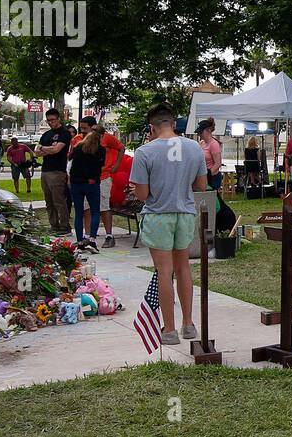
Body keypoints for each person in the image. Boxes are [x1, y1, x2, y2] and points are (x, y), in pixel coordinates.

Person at [129, 102, 208, 346]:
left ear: (151, 127)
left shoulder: (144, 152)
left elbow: (142, 195)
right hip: (184, 213)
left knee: (164, 272)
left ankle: (170, 330)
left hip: (158, 214)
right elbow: (201, 186)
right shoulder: (194, 147)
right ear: (174, 124)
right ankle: (188, 324)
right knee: (183, 267)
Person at [69, 115, 125, 247]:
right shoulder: (77, 140)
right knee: (86, 208)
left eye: (85, 128)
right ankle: (87, 236)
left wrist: (116, 165)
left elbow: (121, 147)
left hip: (102, 177)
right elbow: (71, 160)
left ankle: (108, 235)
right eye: (80, 128)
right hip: (85, 180)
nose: (82, 131)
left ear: (93, 128)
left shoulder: (105, 137)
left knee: (103, 207)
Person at [68, 125, 106, 251]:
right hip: (91, 183)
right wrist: (92, 177)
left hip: (76, 182)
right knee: (95, 211)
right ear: (100, 137)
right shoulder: (100, 150)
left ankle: (79, 242)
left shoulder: (78, 147)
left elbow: (70, 163)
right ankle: (92, 240)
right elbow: (100, 167)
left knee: (79, 213)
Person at [37, 108, 74, 234]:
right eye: (48, 120)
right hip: (45, 170)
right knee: (49, 201)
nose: (51, 122)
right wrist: (47, 148)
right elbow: (37, 152)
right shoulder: (46, 135)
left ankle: (64, 225)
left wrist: (44, 148)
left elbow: (57, 150)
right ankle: (54, 225)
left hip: (58, 171)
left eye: (53, 120)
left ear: (58, 119)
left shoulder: (64, 133)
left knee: (58, 200)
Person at [197, 119, 223, 190]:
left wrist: (207, 175)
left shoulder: (214, 144)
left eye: (201, 132)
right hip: (203, 175)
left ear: (208, 130)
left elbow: (218, 164)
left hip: (212, 178)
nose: (199, 134)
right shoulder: (202, 143)